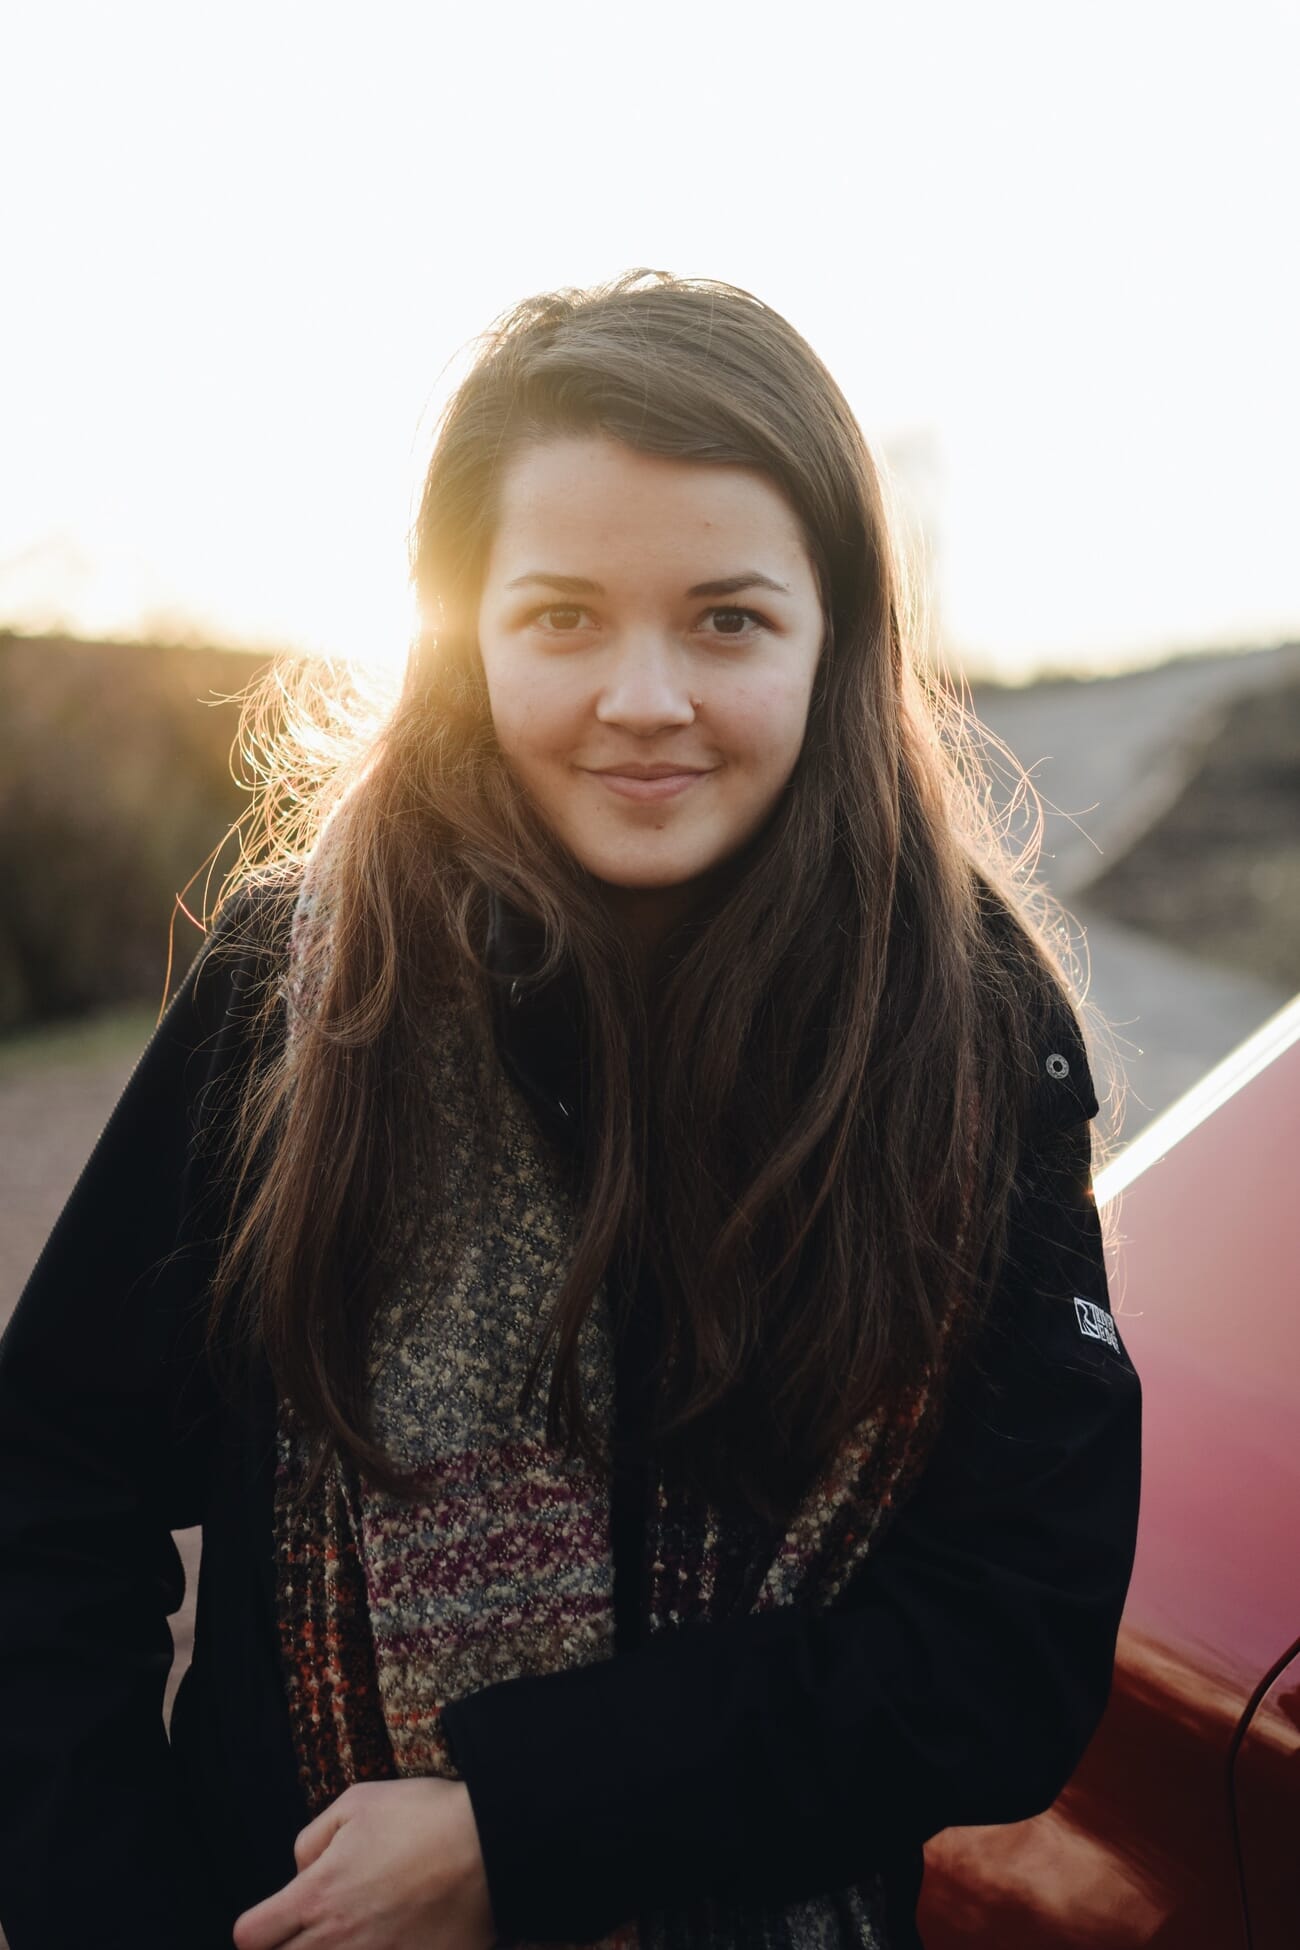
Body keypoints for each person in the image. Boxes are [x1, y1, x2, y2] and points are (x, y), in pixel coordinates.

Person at [0, 269, 1142, 1950]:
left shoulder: (965, 1048)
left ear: (839, 638)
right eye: (562, 617)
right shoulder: (305, 994)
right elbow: (45, 1493)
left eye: (728, 617)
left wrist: (528, 1826)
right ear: (462, 631)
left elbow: (1006, 1639)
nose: (645, 695)